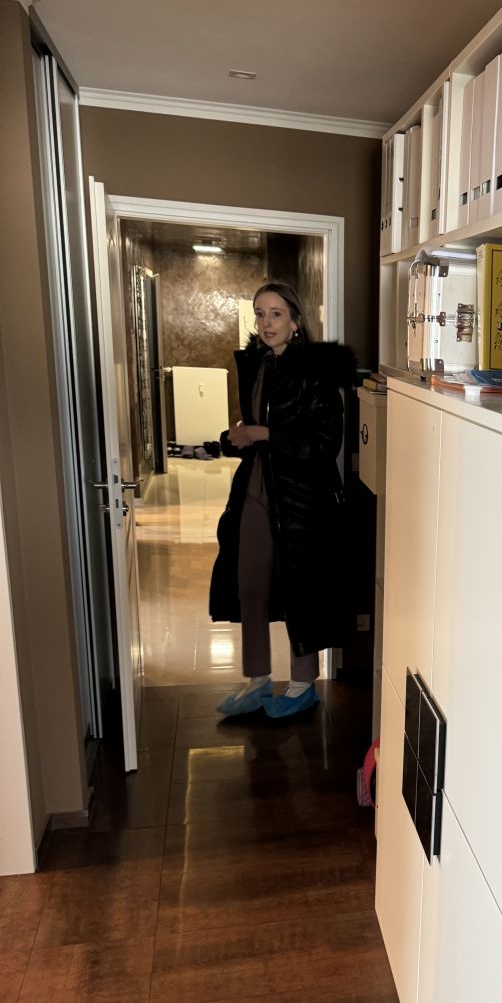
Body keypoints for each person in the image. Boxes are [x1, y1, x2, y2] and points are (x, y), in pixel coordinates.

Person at [209, 281, 356, 718]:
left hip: (301, 499)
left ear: (295, 321)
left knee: (298, 590)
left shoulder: (317, 371)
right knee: (249, 585)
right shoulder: (259, 365)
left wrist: (263, 434)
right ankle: (257, 680)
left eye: (276, 314)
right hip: (256, 490)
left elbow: (324, 443)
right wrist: (236, 439)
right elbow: (256, 432)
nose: (266, 322)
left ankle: (301, 685)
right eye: (260, 314)